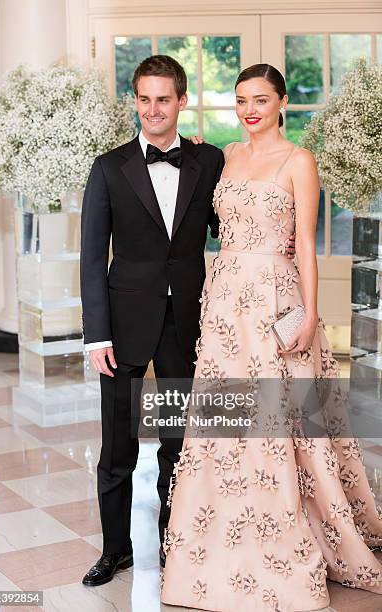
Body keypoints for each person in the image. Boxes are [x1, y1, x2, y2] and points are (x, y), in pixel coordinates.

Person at [161, 63, 382, 611]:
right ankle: (218, 538)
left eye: (261, 99)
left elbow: (304, 244)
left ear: (282, 102)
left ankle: (285, 535)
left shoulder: (298, 160)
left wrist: (309, 314)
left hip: (273, 298)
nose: (250, 109)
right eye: (241, 100)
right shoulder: (228, 156)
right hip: (224, 300)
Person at [79, 55, 296, 588]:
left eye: (164, 98)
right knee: (117, 447)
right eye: (145, 98)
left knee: (181, 443)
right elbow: (91, 257)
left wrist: (279, 250)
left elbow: (240, 221)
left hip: (190, 323)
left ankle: (178, 543)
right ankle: (115, 550)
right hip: (123, 329)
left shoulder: (209, 162)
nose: (154, 108)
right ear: (136, 101)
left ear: (181, 102)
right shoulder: (108, 168)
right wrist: (96, 334)